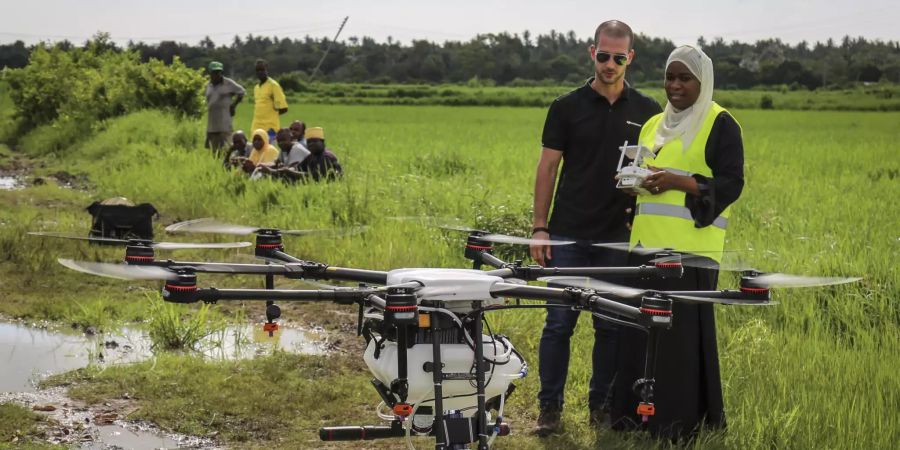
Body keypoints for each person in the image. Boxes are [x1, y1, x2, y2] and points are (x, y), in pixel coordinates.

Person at [528, 20, 662, 437]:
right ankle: (549, 411)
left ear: (630, 58)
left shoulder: (648, 111)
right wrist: (539, 227)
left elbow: (657, 171)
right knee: (558, 323)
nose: (609, 64)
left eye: (618, 58)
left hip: (616, 237)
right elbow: (548, 166)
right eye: (603, 55)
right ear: (592, 53)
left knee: (608, 326)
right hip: (567, 233)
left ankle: (600, 409)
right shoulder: (566, 106)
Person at [609, 45, 744, 442]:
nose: (675, 86)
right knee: (640, 335)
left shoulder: (721, 123)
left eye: (685, 78)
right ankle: (635, 419)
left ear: (703, 81)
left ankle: (678, 426)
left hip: (690, 254)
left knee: (679, 344)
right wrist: (634, 182)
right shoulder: (653, 125)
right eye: (670, 77)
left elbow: (732, 184)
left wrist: (677, 181)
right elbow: (641, 172)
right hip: (645, 249)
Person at [204, 61, 245, 155]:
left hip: (224, 125)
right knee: (213, 151)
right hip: (212, 124)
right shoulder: (208, 85)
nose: (217, 75)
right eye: (214, 72)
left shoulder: (228, 83)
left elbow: (242, 91)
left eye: (219, 72)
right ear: (210, 73)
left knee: (226, 150)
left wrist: (234, 105)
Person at [250, 59, 288, 141]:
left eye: (262, 70)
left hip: (270, 129)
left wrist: (271, 115)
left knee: (269, 152)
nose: (260, 72)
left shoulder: (273, 85)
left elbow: (284, 108)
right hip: (256, 127)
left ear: (267, 70)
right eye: (257, 70)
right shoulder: (256, 87)